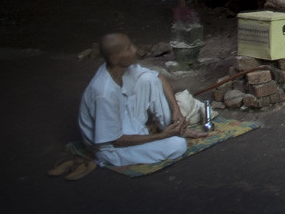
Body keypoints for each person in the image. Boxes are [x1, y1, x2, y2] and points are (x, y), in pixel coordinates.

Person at [77, 33, 206, 167]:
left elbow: (159, 78)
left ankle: (175, 127)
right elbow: (116, 141)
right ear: (114, 58)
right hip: (111, 148)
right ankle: (169, 134)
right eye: (128, 48)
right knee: (178, 145)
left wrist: (176, 111)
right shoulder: (104, 92)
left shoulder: (126, 68)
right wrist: (163, 136)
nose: (134, 50)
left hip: (127, 120)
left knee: (149, 80)